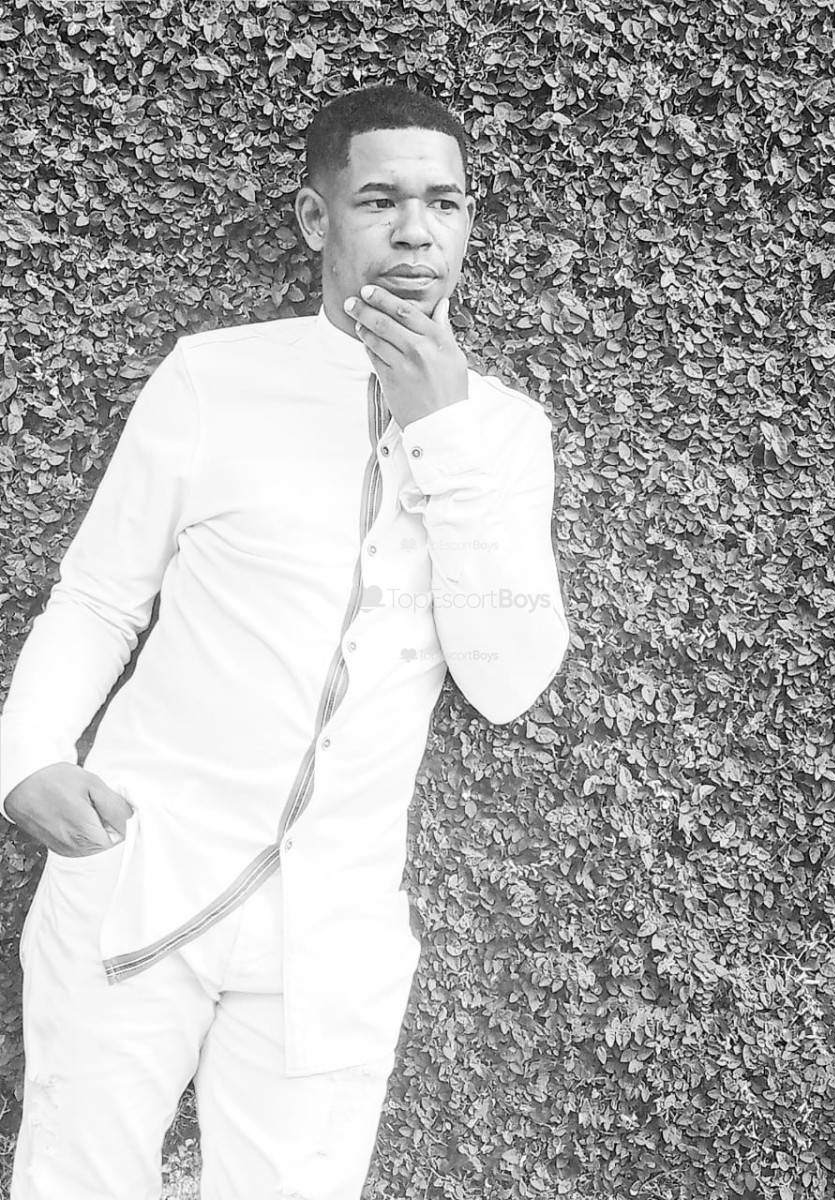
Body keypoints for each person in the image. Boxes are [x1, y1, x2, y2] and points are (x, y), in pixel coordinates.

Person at [0, 85, 568, 1199]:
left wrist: (444, 430)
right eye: (381, 200)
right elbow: (100, 597)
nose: (417, 232)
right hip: (142, 869)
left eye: (445, 203)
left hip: (333, 929)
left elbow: (508, 678)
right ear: (318, 219)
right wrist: (25, 760)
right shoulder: (213, 376)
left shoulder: (505, 433)